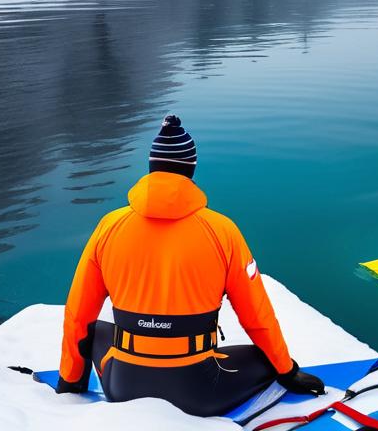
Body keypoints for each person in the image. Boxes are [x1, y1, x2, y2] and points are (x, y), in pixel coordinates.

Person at [57, 114, 325, 415]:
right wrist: (287, 372)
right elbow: (256, 316)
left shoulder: (109, 226)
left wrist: (69, 385)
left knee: (96, 330)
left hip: (123, 385)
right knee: (265, 359)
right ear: (191, 169)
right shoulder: (223, 230)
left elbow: (78, 314)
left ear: (151, 169)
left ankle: (80, 383)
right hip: (198, 391)